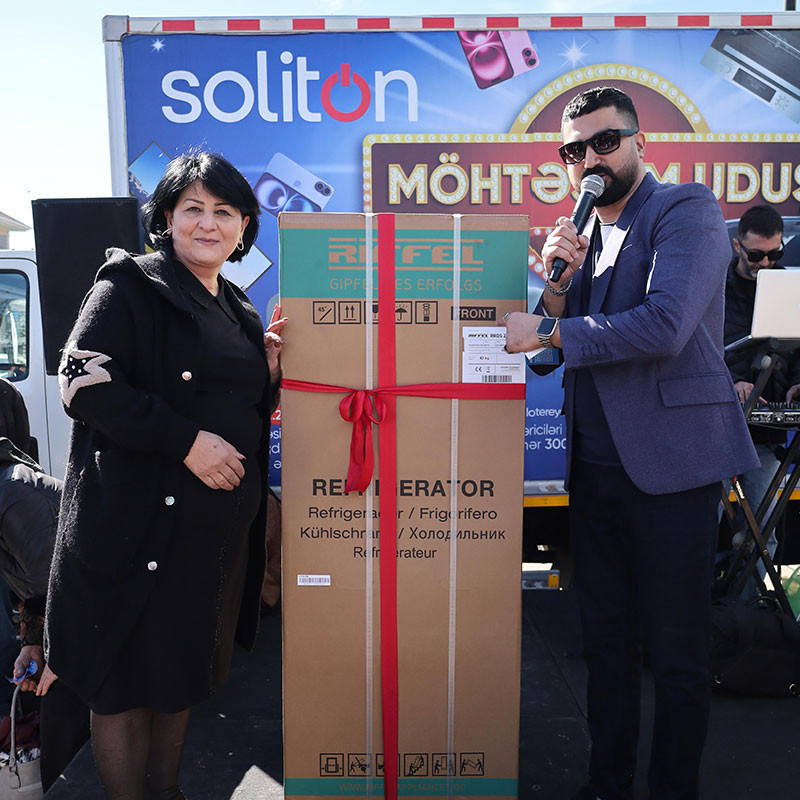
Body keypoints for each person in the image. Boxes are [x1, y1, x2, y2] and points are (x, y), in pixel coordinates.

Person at [502, 86, 759, 800]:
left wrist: (550, 328)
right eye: (574, 150)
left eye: (605, 142)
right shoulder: (581, 234)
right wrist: (556, 286)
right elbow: (548, 358)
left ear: (640, 143)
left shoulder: (684, 209)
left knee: (676, 653)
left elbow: (665, 326)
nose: (590, 159)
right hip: (593, 471)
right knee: (605, 648)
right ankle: (606, 784)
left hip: (672, 470)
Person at [44, 150, 287, 800]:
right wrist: (185, 443)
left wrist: (266, 374)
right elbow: (82, 382)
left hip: (206, 546)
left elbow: (231, 405)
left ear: (244, 226)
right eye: (193, 209)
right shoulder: (129, 286)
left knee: (178, 677)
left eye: (224, 211)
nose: (209, 223)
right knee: (124, 687)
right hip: (134, 535)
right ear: (167, 218)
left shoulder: (239, 308)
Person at [722, 205, 800, 563]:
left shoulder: (789, 287)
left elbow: (796, 351)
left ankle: (755, 597)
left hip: (764, 435)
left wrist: (796, 384)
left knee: (763, 532)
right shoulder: (714, 289)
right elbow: (701, 351)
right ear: (737, 246)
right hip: (716, 431)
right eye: (756, 255)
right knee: (699, 527)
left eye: (774, 254)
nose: (766, 263)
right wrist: (733, 382)